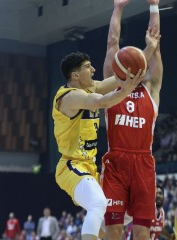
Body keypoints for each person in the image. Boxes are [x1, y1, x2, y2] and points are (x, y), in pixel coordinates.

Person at [53, 49, 145, 240]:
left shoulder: (90, 88)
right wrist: (126, 90)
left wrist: (147, 52)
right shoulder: (70, 97)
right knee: (98, 202)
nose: (94, 69)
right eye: (88, 67)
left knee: (122, 209)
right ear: (75, 75)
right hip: (71, 166)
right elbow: (103, 101)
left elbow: (117, 78)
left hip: (89, 167)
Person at [101, 0, 162, 239]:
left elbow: (155, 44)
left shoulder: (152, 89)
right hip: (116, 162)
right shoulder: (111, 88)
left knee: (142, 233)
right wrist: (117, 8)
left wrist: (154, 6)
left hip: (143, 163)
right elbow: (111, 43)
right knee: (113, 230)